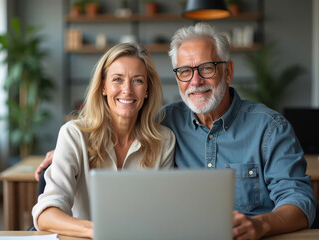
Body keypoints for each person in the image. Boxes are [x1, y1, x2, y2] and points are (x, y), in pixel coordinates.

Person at [35, 23, 317, 240]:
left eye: (206, 68)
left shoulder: (269, 128)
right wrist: (64, 150)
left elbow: (301, 200)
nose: (196, 80)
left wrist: (260, 224)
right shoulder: (166, 123)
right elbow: (121, 122)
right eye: (185, 71)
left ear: (228, 72)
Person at [32, 42, 175, 239]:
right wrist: (96, 230)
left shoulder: (165, 140)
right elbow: (46, 216)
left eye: (138, 81)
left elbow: (164, 214)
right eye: (117, 79)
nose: (127, 90)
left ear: (147, 90)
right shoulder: (73, 135)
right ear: (103, 87)